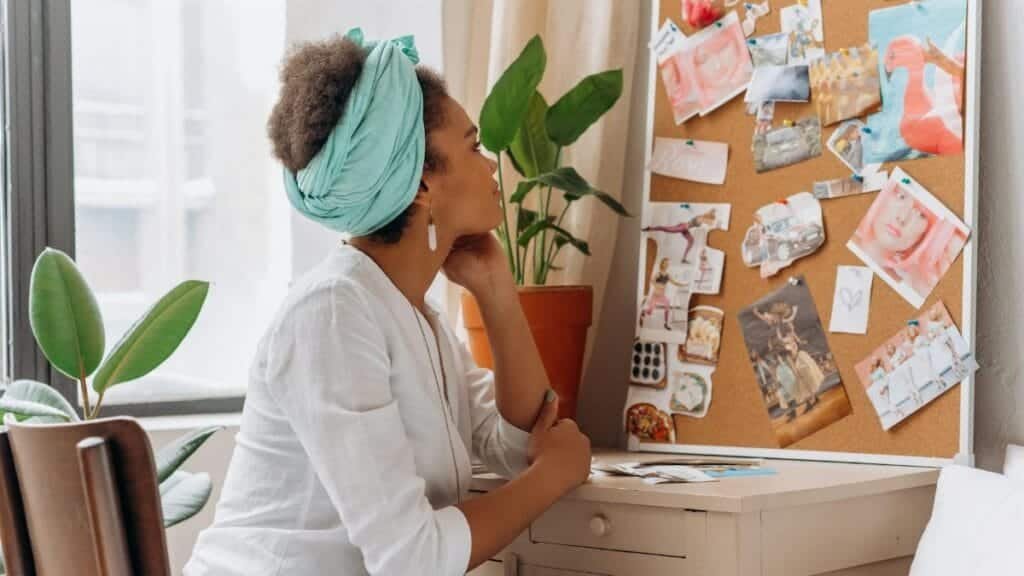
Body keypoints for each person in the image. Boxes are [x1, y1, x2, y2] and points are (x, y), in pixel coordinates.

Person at [185, 30, 591, 576]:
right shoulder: (332, 316)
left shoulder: (412, 315)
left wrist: (496, 292)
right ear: (422, 183)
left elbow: (517, 442)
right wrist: (551, 479)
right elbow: (412, 558)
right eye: (472, 147)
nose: (490, 164)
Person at [643, 208, 717, 263]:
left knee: (691, 241)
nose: (709, 220)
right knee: (666, 229)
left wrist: (713, 212)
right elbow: (709, 222)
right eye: (710, 218)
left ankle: (683, 259)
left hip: (684, 228)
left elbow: (709, 218)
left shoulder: (702, 217)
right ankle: (650, 228)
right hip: (682, 227)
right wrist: (712, 217)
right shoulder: (702, 218)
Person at [640, 258, 689, 330]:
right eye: (665, 263)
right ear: (662, 264)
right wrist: (657, 285)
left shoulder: (668, 275)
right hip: (655, 296)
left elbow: (675, 282)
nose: (666, 264)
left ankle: (666, 324)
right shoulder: (658, 273)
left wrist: (684, 285)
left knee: (667, 306)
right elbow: (652, 281)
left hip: (662, 296)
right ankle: (643, 312)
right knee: (649, 312)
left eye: (667, 263)